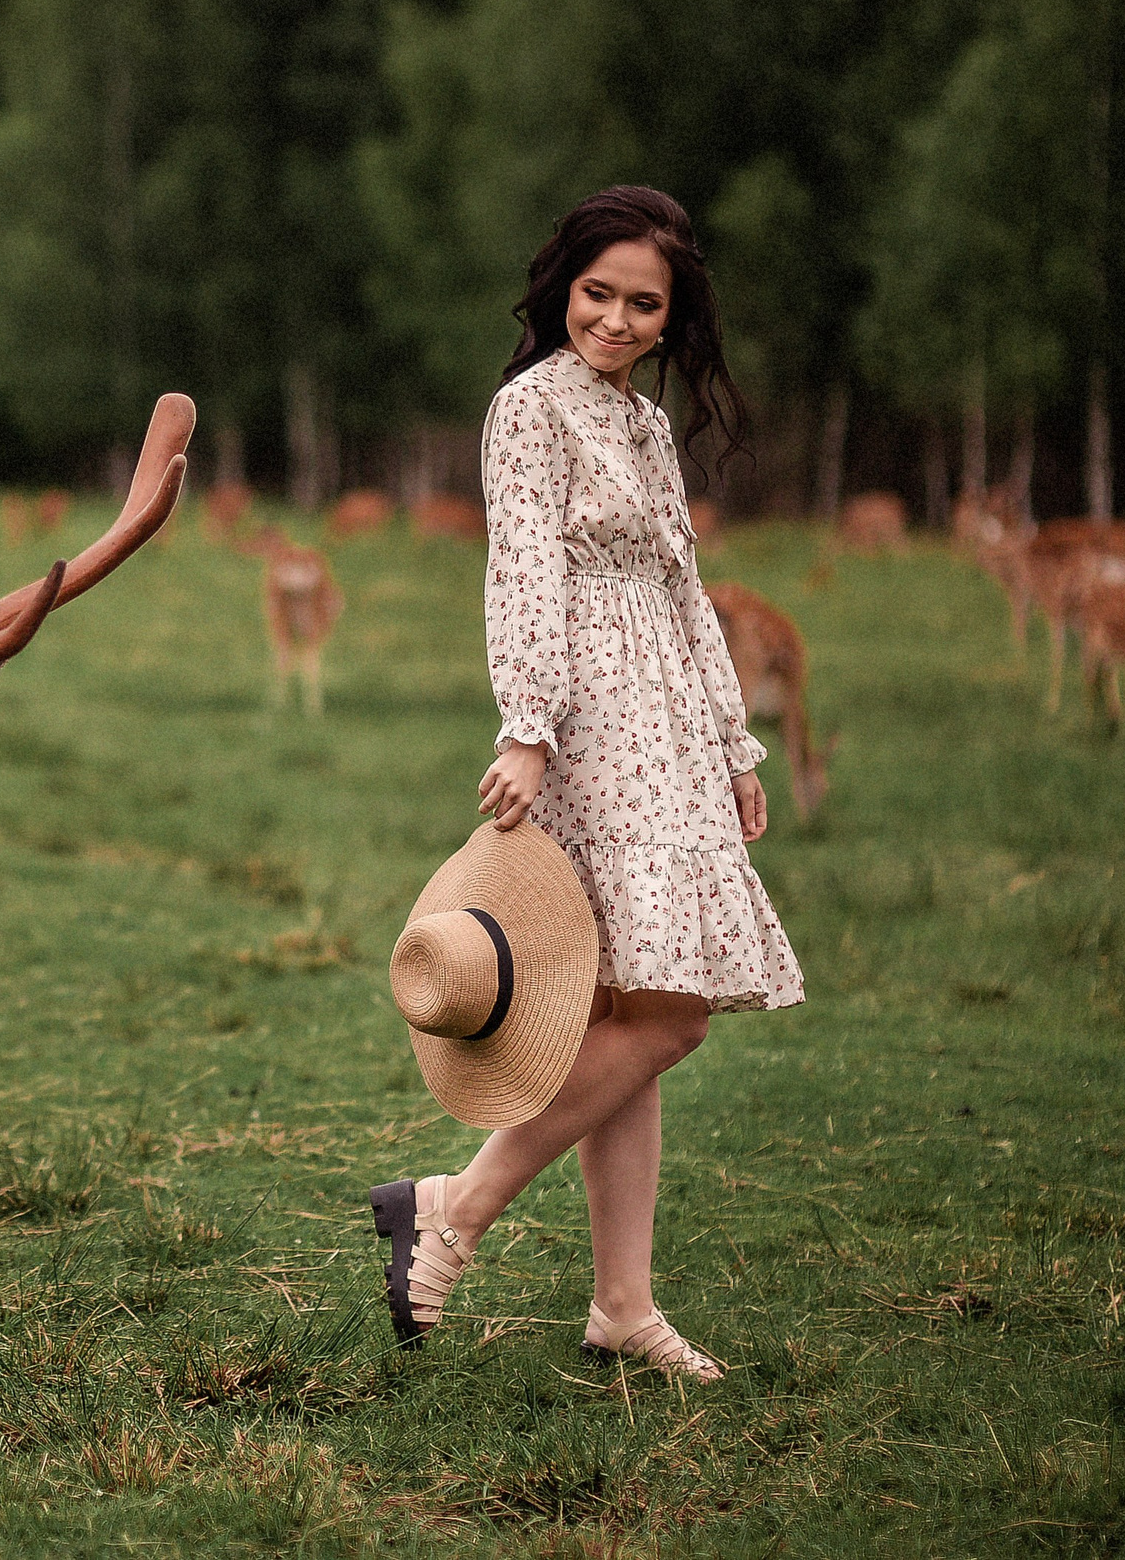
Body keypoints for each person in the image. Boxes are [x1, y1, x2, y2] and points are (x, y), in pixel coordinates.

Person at [372, 185, 803, 1379]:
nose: (613, 319)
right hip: (591, 725)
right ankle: (455, 1209)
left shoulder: (647, 428)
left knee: (632, 1006)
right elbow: (521, 574)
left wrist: (732, 744)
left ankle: (620, 1301)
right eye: (595, 293)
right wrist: (527, 726)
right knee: (674, 1014)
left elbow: (682, 594)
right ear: (563, 286)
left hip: (670, 719)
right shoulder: (530, 410)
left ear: (673, 317)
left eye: (641, 303)